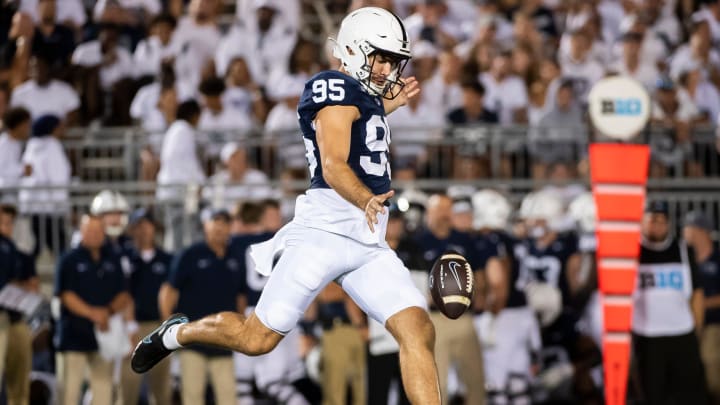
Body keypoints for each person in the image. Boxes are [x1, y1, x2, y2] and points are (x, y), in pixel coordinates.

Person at [132, 7, 441, 404]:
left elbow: (362, 125)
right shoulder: (334, 86)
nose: (386, 69)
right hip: (323, 234)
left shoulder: (366, 99)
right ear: (352, 50)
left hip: (367, 241)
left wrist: (383, 107)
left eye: (392, 61)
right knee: (255, 339)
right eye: (380, 57)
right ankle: (176, 333)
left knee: (417, 328)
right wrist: (365, 198)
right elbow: (333, 164)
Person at [158, 209, 240, 405]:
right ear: (205, 226)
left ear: (231, 227)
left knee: (228, 396)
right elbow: (168, 290)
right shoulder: (190, 254)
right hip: (194, 338)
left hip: (224, 339)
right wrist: (168, 326)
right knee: (193, 396)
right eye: (215, 221)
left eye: (224, 223)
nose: (220, 227)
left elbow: (241, 296)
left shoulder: (234, 258)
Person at [632, 201, 708, 404]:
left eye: (661, 220)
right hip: (647, 336)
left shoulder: (683, 250)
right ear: (642, 222)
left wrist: (696, 330)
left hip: (682, 333)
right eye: (652, 219)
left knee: (691, 395)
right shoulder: (632, 252)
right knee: (652, 395)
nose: (656, 225)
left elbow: (697, 294)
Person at [54, 215, 131, 405]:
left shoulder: (114, 258)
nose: (94, 235)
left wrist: (108, 312)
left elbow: (124, 294)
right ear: (81, 232)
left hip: (104, 337)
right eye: (89, 230)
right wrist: (94, 314)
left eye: (98, 231)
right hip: (74, 337)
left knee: (103, 393)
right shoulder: (68, 259)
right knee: (69, 393)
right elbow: (66, 295)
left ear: (104, 233)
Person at [120, 208, 173, 405]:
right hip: (132, 326)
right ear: (132, 230)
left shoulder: (167, 259)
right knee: (128, 386)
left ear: (154, 228)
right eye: (138, 226)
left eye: (147, 225)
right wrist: (129, 325)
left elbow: (172, 293)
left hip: (159, 325)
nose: (143, 230)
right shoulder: (125, 258)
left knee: (162, 388)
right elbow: (123, 295)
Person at [682, 210, 720, 404]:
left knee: (711, 364)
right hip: (685, 324)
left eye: (689, 228)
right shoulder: (683, 260)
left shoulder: (717, 258)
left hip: (713, 323)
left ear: (702, 231)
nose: (685, 233)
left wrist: (702, 304)